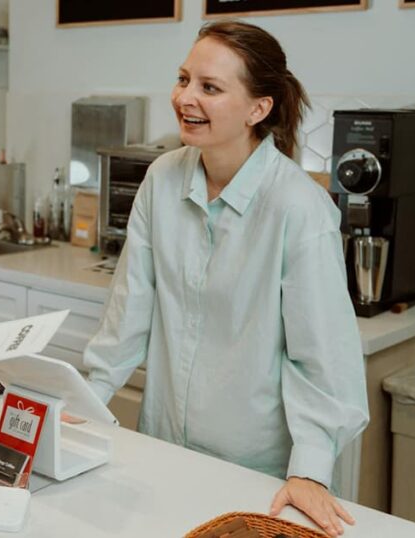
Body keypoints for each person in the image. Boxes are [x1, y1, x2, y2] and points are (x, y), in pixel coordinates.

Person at [82, 21, 368, 537]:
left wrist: (309, 472)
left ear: (259, 109)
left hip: (254, 474)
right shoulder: (163, 179)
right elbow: (128, 313)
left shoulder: (299, 209)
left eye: (209, 88)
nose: (185, 97)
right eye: (184, 79)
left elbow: (323, 359)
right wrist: (85, 402)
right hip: (163, 449)